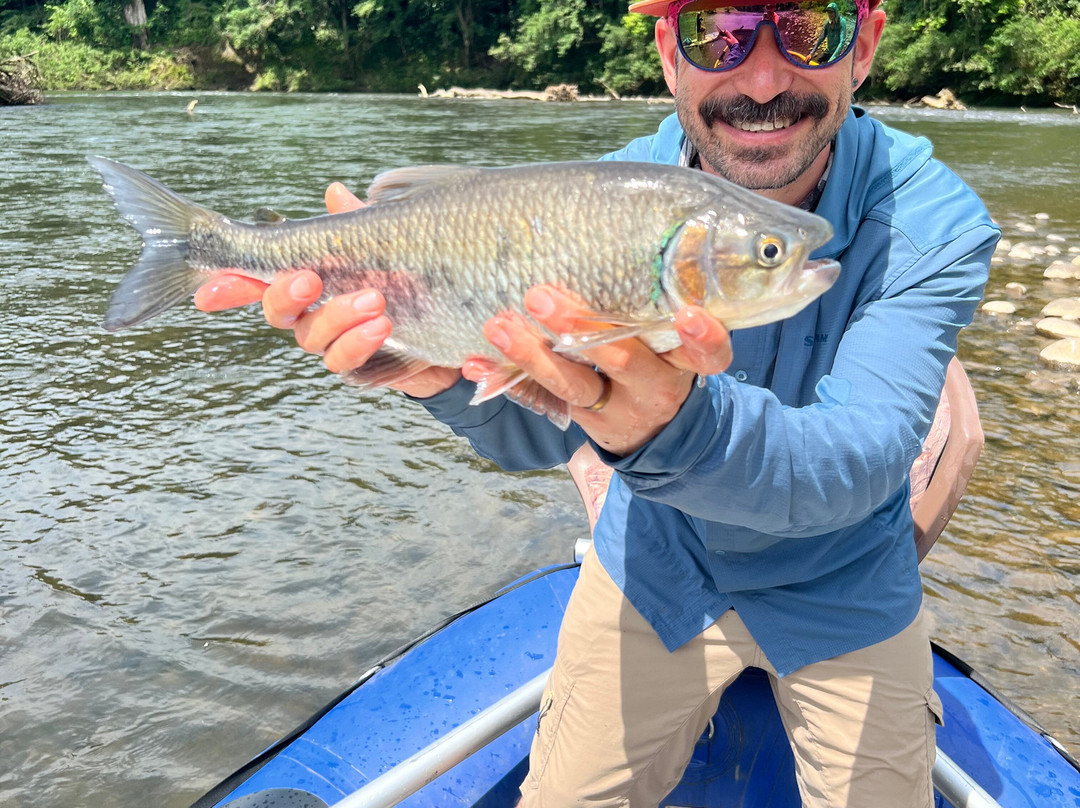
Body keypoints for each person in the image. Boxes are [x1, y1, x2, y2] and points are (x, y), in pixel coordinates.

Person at [195, 0, 999, 804]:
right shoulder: (597, 200)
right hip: (658, 568)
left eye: (805, 30)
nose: (761, 79)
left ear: (865, 44)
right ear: (668, 53)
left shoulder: (933, 223)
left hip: (846, 587)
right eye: (717, 34)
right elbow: (536, 438)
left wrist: (674, 427)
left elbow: (860, 463)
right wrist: (431, 370)